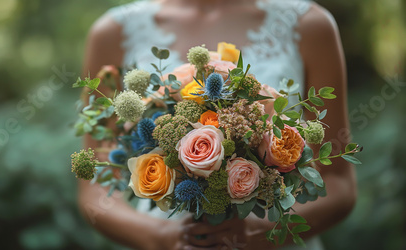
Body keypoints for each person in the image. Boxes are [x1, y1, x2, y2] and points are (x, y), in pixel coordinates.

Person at [78, 0, 357, 249]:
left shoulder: (310, 25)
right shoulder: (113, 32)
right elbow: (95, 190)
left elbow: (338, 185)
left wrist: (256, 232)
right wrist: (163, 236)